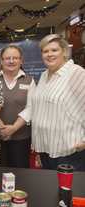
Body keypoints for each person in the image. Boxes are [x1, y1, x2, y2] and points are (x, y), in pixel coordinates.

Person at [31, 34, 85, 171]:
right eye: (45, 51)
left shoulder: (76, 73)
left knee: (69, 192)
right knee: (49, 190)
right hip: (45, 148)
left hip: (69, 150)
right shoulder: (44, 75)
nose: (49, 54)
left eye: (54, 50)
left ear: (64, 52)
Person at [0, 45, 36, 168]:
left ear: (21, 61)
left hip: (21, 137)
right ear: (1, 61)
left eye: (15, 58)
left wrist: (13, 128)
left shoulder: (29, 81)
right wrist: (2, 128)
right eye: (7, 58)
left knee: (21, 172)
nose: (11, 61)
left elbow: (31, 107)